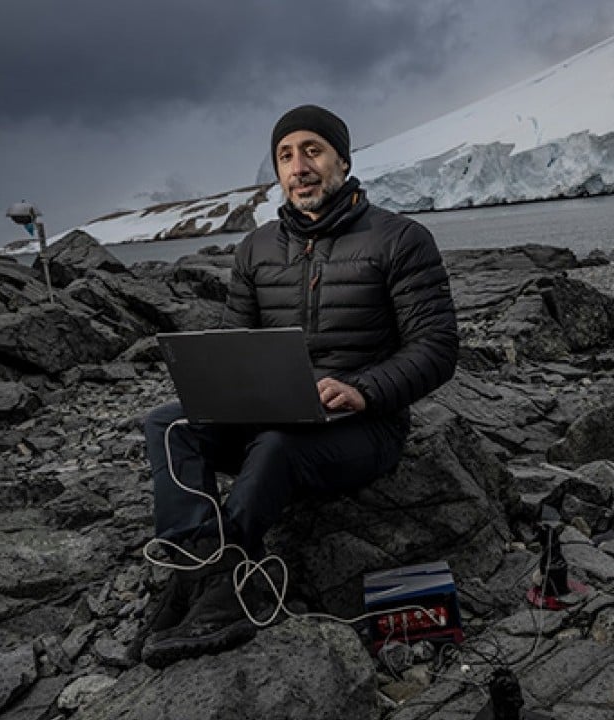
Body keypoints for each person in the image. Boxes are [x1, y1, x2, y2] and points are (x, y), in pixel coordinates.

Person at [137, 104, 459, 667]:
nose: (298, 166)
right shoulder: (256, 248)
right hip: (272, 410)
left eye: (312, 150)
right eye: (285, 155)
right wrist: (221, 388)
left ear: (343, 161)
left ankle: (232, 592)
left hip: (363, 425)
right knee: (168, 424)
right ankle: (200, 570)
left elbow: (436, 348)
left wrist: (364, 390)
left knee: (276, 445)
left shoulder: (400, 239)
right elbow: (235, 346)